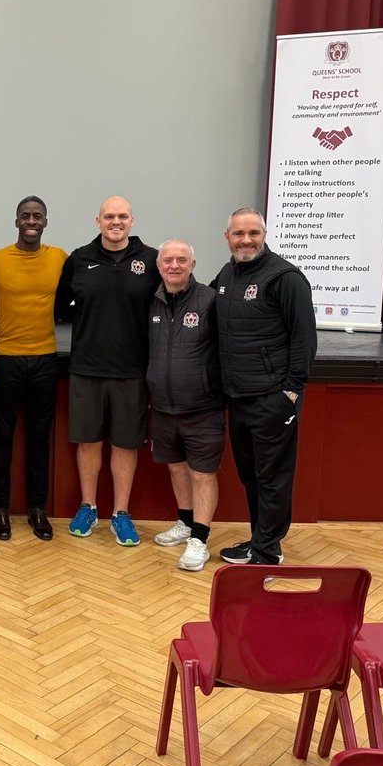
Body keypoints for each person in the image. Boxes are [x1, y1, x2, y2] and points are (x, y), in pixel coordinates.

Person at [213, 208, 317, 566]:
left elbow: (305, 340)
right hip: (238, 398)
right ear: (227, 237)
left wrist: (290, 392)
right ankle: (259, 539)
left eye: (253, 233)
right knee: (251, 475)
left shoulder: (285, 278)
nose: (246, 240)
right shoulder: (227, 274)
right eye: (239, 234)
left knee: (272, 477)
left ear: (265, 234)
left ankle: (268, 552)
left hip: (273, 398)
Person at [54, 196, 159, 546]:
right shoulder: (79, 259)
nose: (117, 222)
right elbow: (61, 308)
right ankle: (89, 506)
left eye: (123, 216)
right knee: (88, 441)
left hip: (132, 371)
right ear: (97, 221)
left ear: (133, 221)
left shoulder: (151, 260)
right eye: (109, 216)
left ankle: (121, 513)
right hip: (86, 368)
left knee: (125, 444)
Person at [0, 196, 67, 541]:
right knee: (1, 437)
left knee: (39, 437)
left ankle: (37, 509)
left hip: (46, 359)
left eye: (38, 216)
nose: (31, 221)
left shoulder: (60, 258)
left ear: (45, 221)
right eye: (25, 216)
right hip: (5, 360)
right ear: (16, 221)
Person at [146, 240, 223, 571]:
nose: (173, 265)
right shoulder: (151, 301)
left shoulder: (209, 300)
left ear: (192, 264)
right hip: (163, 407)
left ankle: (200, 539)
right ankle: (186, 523)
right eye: (167, 260)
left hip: (202, 407)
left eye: (181, 260)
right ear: (159, 265)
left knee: (202, 473)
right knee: (176, 467)